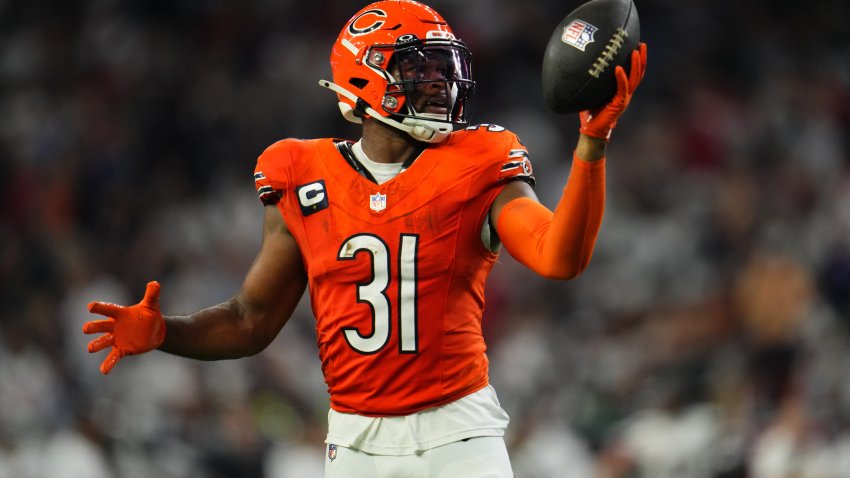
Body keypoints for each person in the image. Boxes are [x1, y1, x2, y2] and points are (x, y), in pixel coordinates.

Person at [83, 1, 647, 476]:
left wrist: (592, 145)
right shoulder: (298, 173)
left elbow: (559, 256)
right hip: (355, 445)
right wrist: (165, 333)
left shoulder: (481, 160)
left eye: (442, 67)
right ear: (363, 81)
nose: (439, 83)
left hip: (460, 433)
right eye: (418, 69)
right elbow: (252, 320)